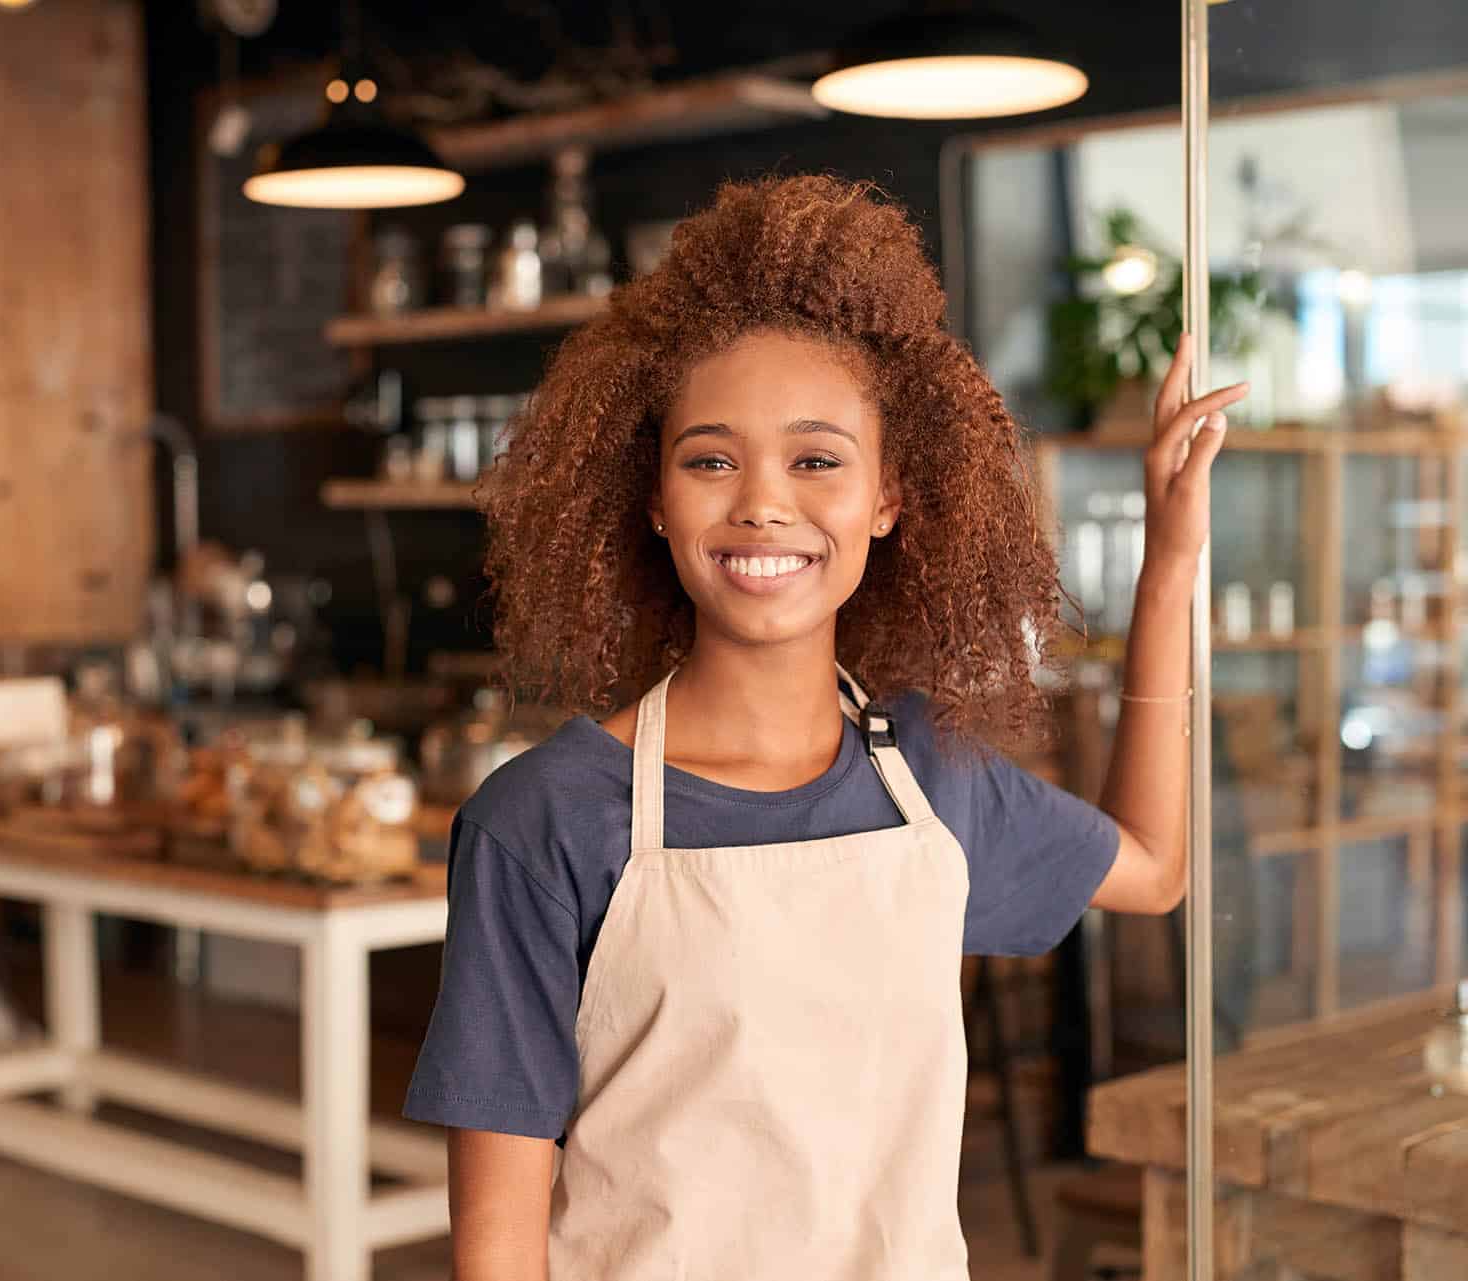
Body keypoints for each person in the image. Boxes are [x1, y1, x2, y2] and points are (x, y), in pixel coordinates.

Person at [401, 174, 1247, 1280]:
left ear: (889, 497)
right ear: (652, 498)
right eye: (711, 458)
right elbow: (500, 1243)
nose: (763, 503)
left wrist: (1170, 565)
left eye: (816, 460)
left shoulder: (930, 782)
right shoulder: (542, 820)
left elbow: (1153, 871)